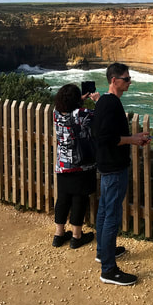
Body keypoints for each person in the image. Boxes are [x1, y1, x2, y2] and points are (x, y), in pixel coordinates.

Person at [92, 63, 151, 286]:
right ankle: (108, 270)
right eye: (126, 79)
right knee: (112, 217)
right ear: (114, 81)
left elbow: (105, 133)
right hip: (114, 167)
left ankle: (102, 252)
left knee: (105, 211)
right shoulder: (110, 104)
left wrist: (133, 136)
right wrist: (132, 140)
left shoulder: (104, 102)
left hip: (108, 165)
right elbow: (105, 137)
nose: (129, 82)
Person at [51, 83, 99, 249]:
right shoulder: (82, 114)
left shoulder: (56, 113)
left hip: (63, 163)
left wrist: (78, 99)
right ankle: (76, 237)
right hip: (81, 164)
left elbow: (68, 107)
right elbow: (101, 115)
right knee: (79, 198)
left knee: (63, 198)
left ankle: (58, 235)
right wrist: (97, 100)